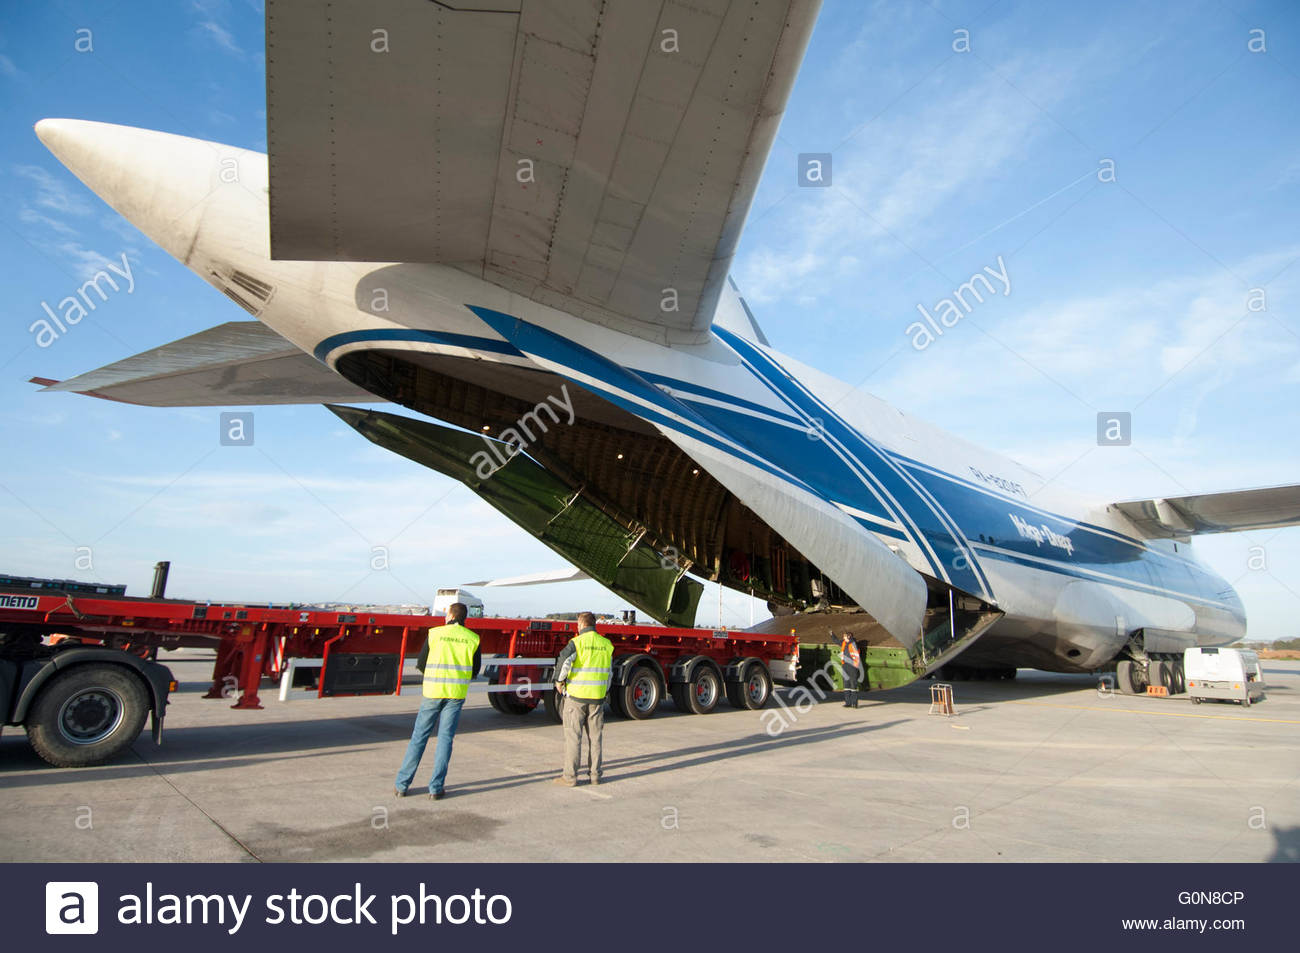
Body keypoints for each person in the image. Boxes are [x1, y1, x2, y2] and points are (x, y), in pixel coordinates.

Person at [394, 602, 481, 800]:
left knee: (419, 737)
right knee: (445, 739)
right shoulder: (473, 639)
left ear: (450, 615)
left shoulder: (435, 634)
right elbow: (475, 670)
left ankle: (402, 785)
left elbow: (421, 663)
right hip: (455, 695)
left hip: (433, 692)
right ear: (465, 617)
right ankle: (436, 788)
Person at [553, 611, 613, 787]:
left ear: (580, 624)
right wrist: (603, 691)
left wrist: (558, 681)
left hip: (577, 698)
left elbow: (564, 661)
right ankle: (595, 775)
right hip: (597, 699)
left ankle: (570, 777)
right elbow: (609, 672)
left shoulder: (577, 643)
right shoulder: (606, 644)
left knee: (573, 737)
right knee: (595, 739)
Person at [839, 632, 862, 708]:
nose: (843, 638)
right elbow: (837, 641)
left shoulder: (853, 644)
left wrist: (855, 666)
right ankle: (848, 702)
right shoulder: (844, 643)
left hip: (852, 667)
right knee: (846, 685)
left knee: (853, 685)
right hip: (845, 665)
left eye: (844, 637)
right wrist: (832, 634)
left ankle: (854, 703)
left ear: (849, 637)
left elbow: (856, 656)